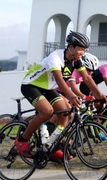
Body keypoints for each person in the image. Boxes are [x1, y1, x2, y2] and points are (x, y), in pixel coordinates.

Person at [15, 31, 86, 161]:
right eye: (80, 49)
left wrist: (100, 95)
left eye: (84, 50)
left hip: (47, 88)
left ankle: (51, 146)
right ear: (71, 47)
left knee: (65, 113)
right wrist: (71, 96)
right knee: (47, 111)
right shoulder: (56, 57)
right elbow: (59, 80)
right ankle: (22, 140)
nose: (82, 53)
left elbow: (87, 78)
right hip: (31, 85)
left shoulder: (76, 61)